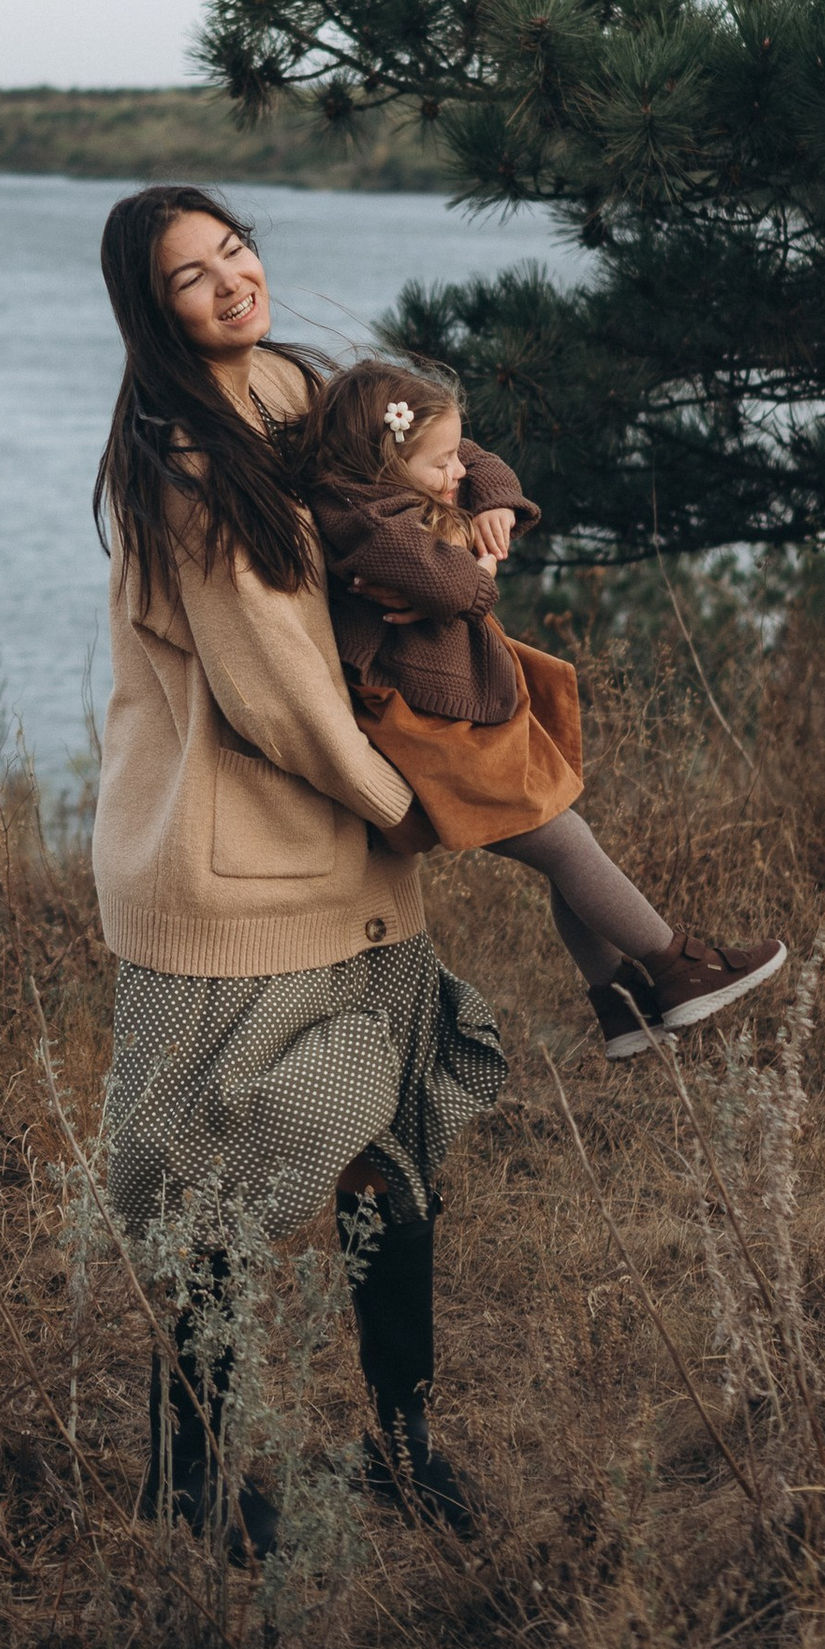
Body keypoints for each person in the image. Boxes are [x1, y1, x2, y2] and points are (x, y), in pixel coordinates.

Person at [89, 185, 508, 1551]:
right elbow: (277, 692)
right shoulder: (188, 464)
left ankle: (404, 1443)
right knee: (213, 1183)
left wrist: (479, 506)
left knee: (389, 1159)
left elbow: (426, 468)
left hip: (338, 857)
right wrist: (414, 801)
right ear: (153, 312)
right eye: (191, 276)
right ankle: (190, 1475)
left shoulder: (294, 390)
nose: (230, 281)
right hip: (238, 874)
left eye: (236, 249)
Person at [300, 358, 787, 1060]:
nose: (455, 475)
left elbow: (471, 454)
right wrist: (478, 556)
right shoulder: (374, 527)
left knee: (564, 843)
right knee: (564, 841)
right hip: (428, 728)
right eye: (439, 467)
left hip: (450, 709)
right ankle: (678, 966)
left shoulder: (390, 473)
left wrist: (491, 499)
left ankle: (622, 1006)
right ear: (387, 458)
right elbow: (465, 589)